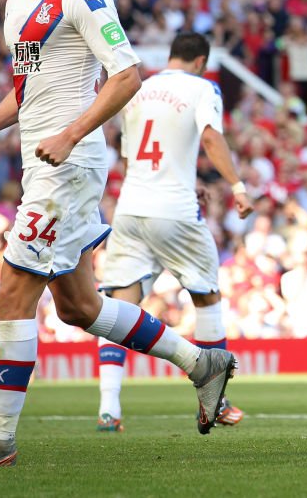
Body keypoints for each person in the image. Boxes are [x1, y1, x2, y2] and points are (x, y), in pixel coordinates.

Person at [0, 0, 236, 469]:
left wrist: (70, 134)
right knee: (78, 306)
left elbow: (125, 77)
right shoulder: (18, 4)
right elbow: (29, 90)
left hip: (68, 167)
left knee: (13, 289)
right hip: (43, 163)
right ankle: (202, 362)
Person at [95, 31, 253, 432]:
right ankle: (214, 398)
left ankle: (109, 409)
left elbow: (137, 158)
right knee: (206, 295)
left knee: (121, 305)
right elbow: (211, 137)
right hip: (176, 211)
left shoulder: (139, 88)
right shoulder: (203, 88)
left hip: (131, 207)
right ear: (201, 61)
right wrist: (236, 185)